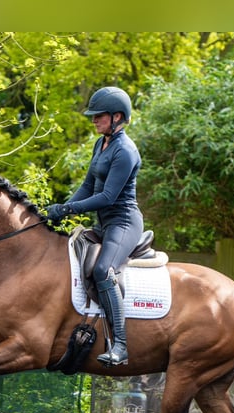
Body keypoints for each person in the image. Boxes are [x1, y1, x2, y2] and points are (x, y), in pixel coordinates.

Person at [46, 86, 143, 367]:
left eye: (98, 116)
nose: (93, 120)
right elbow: (88, 186)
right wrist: (61, 210)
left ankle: (121, 345)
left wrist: (70, 208)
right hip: (103, 222)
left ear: (116, 117)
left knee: (103, 270)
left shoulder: (125, 151)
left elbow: (108, 197)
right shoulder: (100, 145)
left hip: (123, 223)